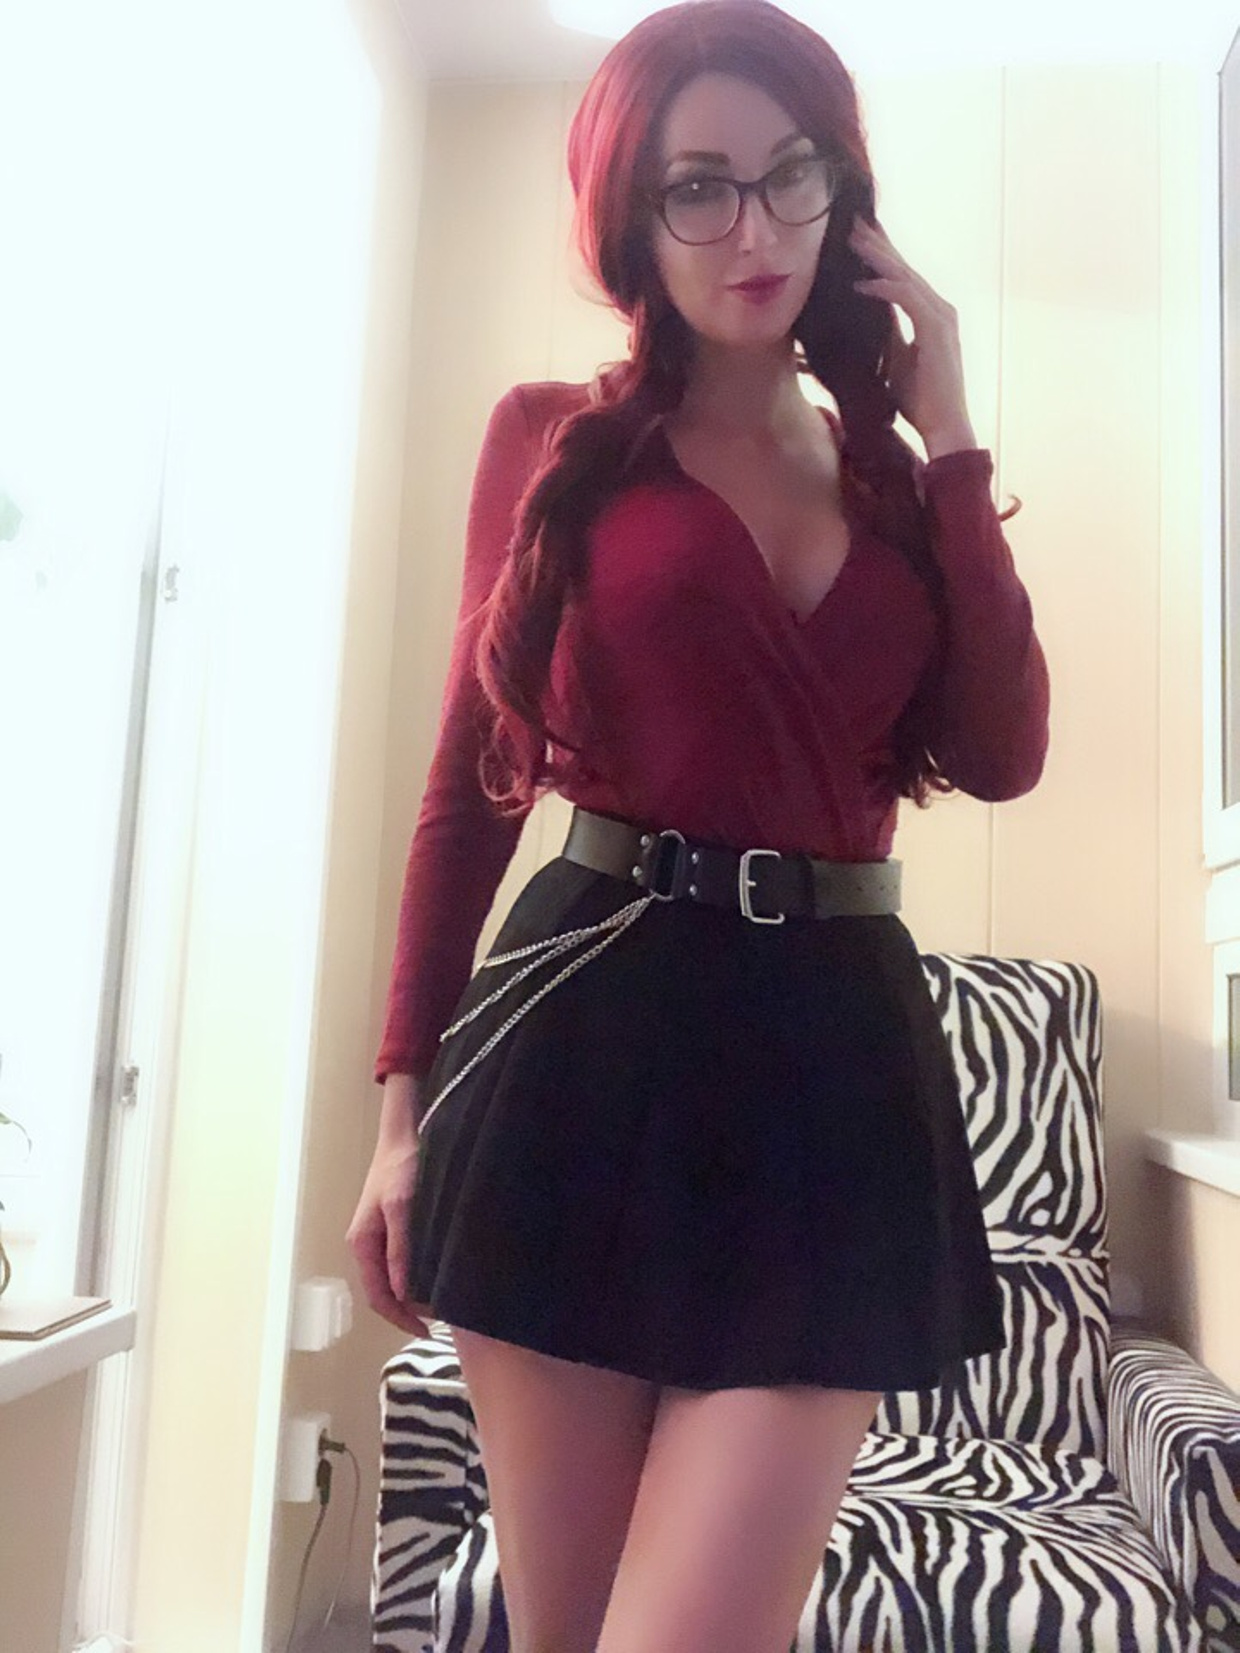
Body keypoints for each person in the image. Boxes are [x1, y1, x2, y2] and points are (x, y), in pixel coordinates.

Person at [347, 2, 1050, 1649]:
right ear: (632, 217)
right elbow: (467, 787)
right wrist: (398, 1110)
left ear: (843, 194)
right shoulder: (552, 440)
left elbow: (1004, 752)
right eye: (700, 186)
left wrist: (951, 429)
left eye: (792, 175)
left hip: (832, 1068)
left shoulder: (899, 488)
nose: (755, 229)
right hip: (578, 1050)